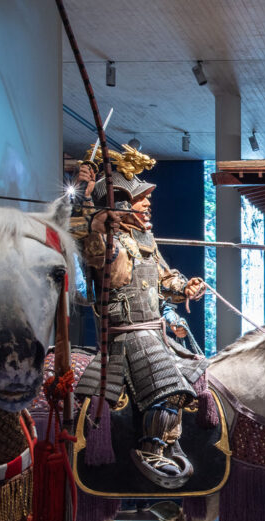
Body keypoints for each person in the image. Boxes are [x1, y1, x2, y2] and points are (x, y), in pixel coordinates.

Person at [74, 146, 208, 488]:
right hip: (129, 334)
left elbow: (165, 281)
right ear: (118, 205)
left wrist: (185, 287)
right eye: (139, 199)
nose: (147, 204)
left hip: (156, 331)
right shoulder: (107, 243)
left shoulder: (146, 241)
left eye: (146, 198)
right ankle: (151, 451)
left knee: (200, 372)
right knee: (168, 389)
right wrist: (97, 222)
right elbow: (114, 275)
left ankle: (173, 439)